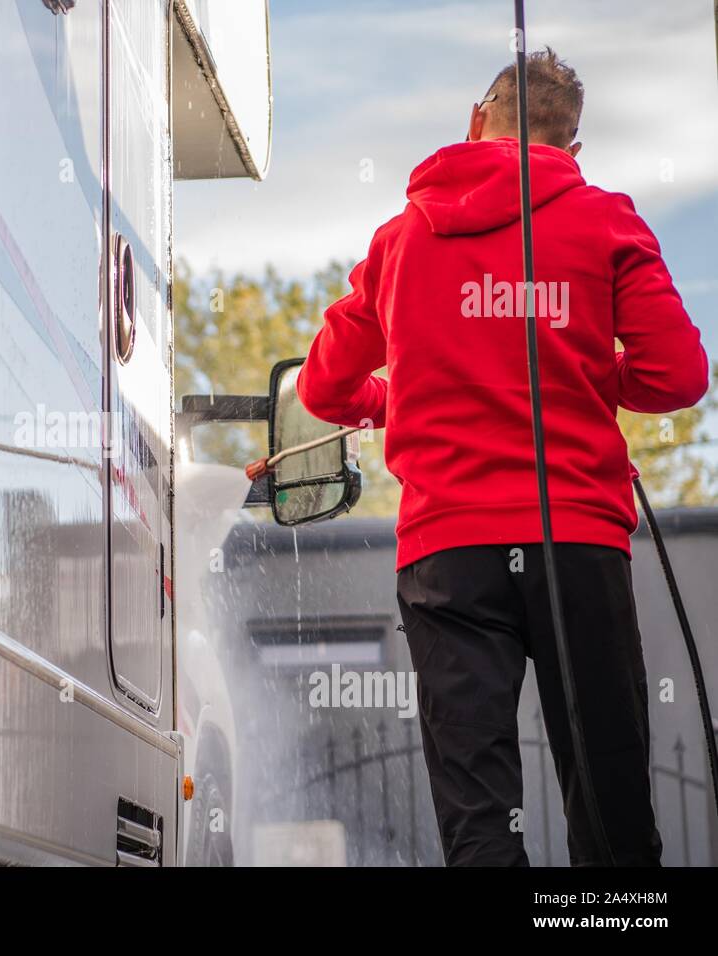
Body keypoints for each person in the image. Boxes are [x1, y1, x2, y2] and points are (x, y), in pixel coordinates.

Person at [296, 48, 708, 866]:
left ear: (477, 122)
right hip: (577, 547)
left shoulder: (400, 240)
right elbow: (678, 376)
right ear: (571, 150)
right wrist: (585, 371)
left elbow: (324, 388)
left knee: (479, 814)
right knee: (612, 803)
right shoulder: (607, 220)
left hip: (449, 556)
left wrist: (395, 400)